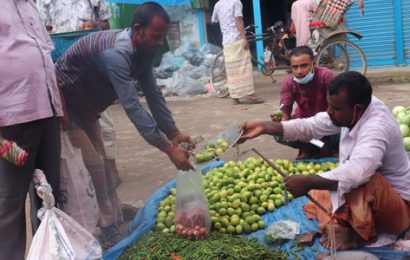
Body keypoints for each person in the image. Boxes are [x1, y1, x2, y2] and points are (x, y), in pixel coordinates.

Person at [55, 2, 194, 248]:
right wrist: (168, 148)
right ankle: (108, 231)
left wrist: (173, 132)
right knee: (94, 166)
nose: (160, 42)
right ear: (137, 29)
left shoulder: (144, 52)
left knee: (104, 161)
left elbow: (153, 94)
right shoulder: (116, 54)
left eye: (163, 37)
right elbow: (132, 107)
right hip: (68, 105)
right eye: (156, 36)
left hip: (89, 109)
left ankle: (114, 211)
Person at [240, 71, 410, 250]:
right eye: (329, 105)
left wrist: (308, 181)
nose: (329, 112)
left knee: (365, 180)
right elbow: (313, 125)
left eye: (335, 109)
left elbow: (356, 173)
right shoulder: (355, 107)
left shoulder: (377, 127)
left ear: (357, 109)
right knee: (320, 192)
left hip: (397, 208)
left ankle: (359, 236)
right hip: (364, 191)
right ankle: (344, 224)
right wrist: (264, 127)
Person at [0, 0, 64, 258]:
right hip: (10, 123)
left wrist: (59, 108)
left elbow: (43, 56)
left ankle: (47, 254)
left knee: (48, 196)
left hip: (46, 113)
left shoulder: (29, 6)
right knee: (9, 202)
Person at [273, 46, 338, 159]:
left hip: (328, 122)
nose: (299, 71)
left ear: (313, 64)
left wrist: (314, 129)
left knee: (343, 126)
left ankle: (333, 150)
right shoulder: (289, 82)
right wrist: (282, 120)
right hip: (304, 123)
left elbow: (337, 106)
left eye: (304, 66)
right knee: (278, 133)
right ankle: (310, 149)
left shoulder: (326, 76)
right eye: (295, 67)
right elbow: (285, 110)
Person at [211, 0, 264, 105]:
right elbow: (239, 20)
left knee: (231, 69)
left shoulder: (218, 4)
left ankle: (235, 97)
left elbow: (213, 21)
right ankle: (250, 95)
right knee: (244, 66)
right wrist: (244, 38)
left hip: (226, 41)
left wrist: (224, 24)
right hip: (236, 39)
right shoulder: (236, 2)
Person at [291, 0, 365, 47]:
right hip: (316, 23)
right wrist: (361, 7)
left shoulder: (296, 4)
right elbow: (318, 11)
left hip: (306, 30)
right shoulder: (308, 3)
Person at [36, 0, 111, 33]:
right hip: (58, 57)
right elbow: (40, 31)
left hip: (89, 55)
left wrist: (95, 26)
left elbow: (106, 26)